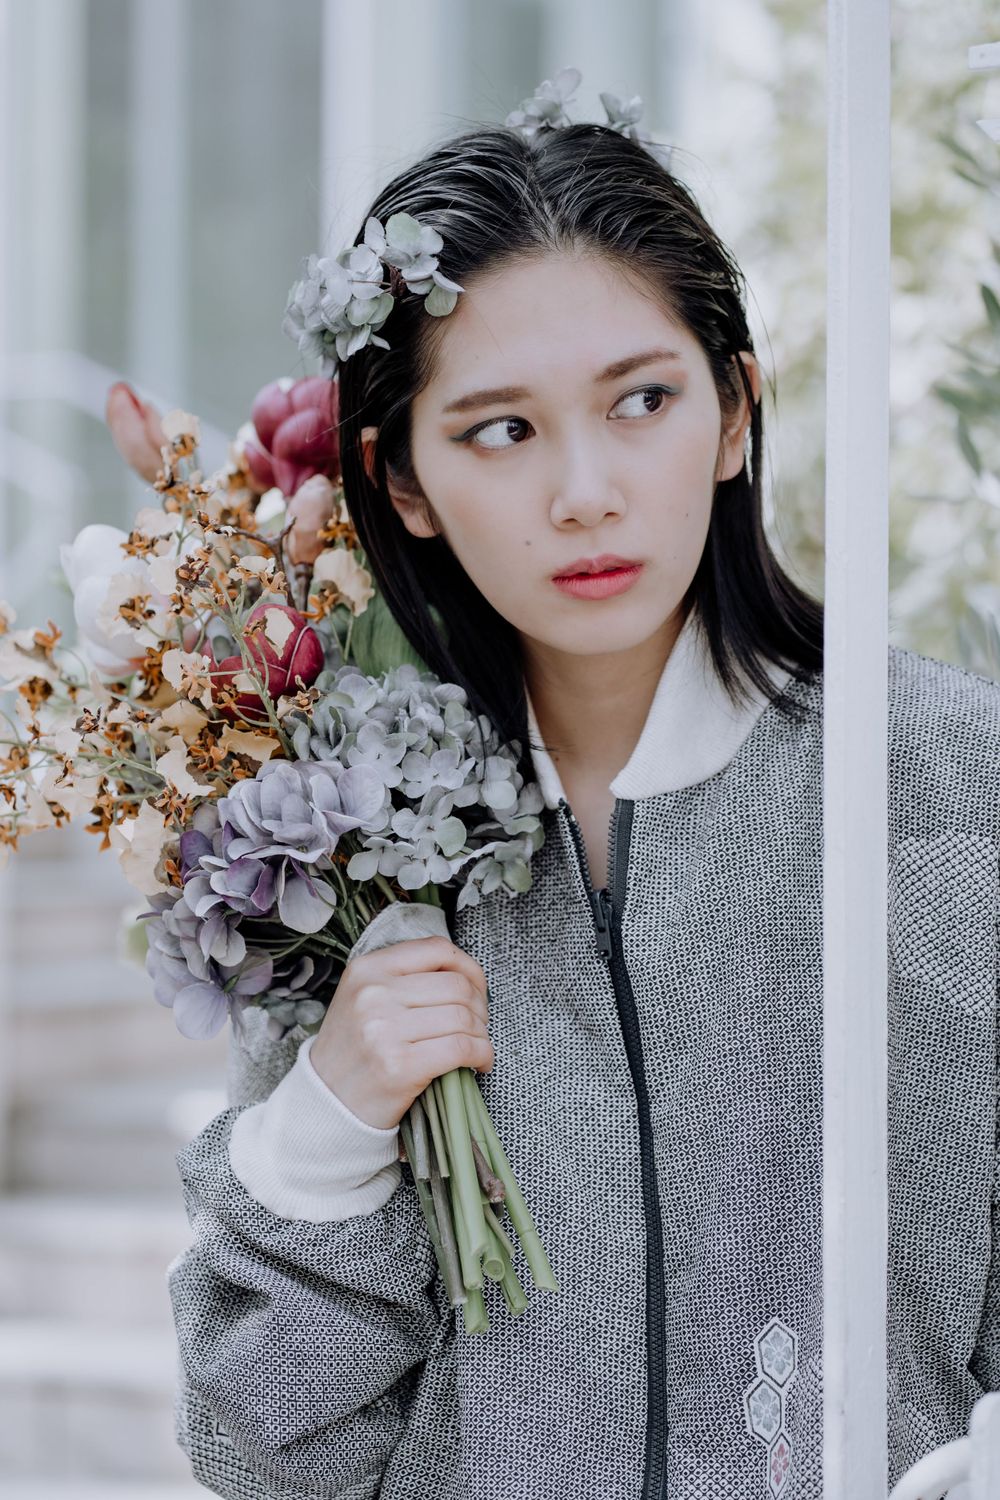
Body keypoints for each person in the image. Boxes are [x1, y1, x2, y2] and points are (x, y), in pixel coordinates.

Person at [165, 79, 1000, 1500]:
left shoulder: (938, 778)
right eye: (502, 430)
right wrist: (327, 1124)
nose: (587, 492)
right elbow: (266, 1456)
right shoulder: (346, 852)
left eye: (645, 402)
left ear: (735, 412)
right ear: (404, 481)